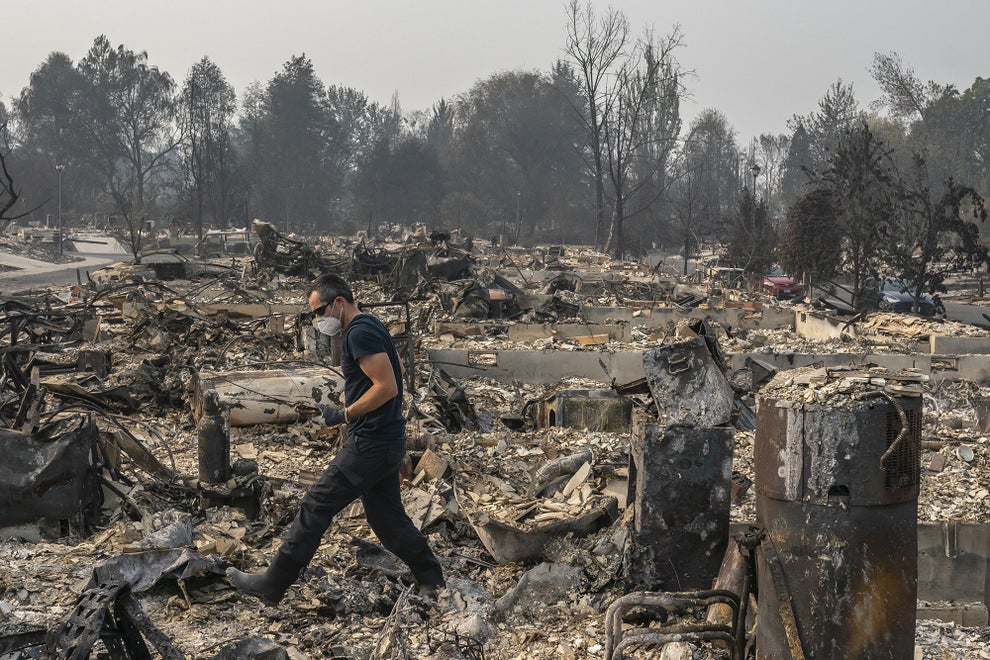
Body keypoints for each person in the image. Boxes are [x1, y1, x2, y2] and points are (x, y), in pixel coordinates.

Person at [226, 273, 445, 604]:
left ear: (339, 302)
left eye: (319, 311)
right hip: (386, 440)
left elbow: (387, 386)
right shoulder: (371, 324)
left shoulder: (357, 332)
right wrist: (350, 392)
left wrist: (344, 414)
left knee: (316, 504)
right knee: (386, 519)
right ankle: (431, 578)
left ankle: (272, 584)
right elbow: (394, 366)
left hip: (370, 444)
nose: (317, 320)